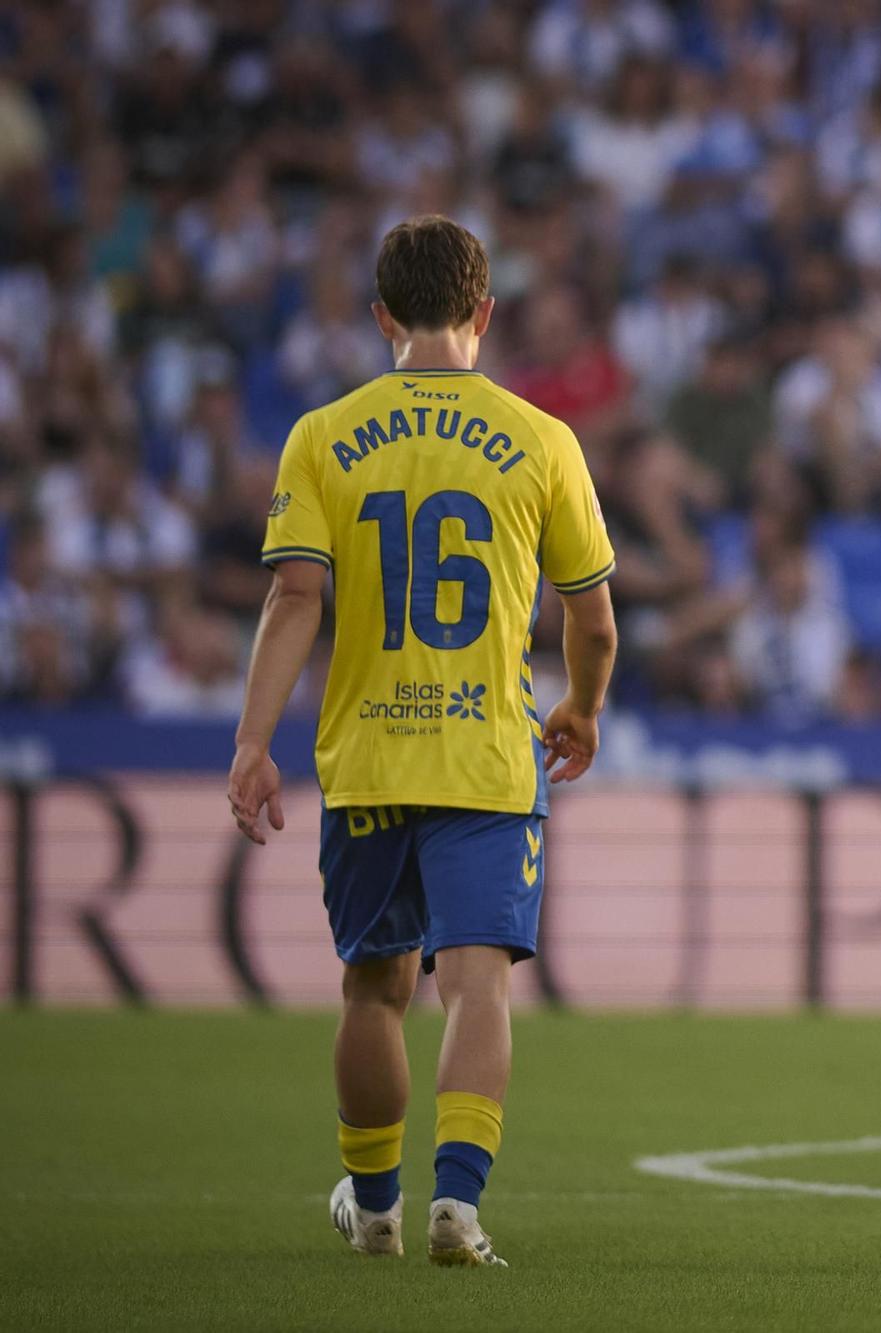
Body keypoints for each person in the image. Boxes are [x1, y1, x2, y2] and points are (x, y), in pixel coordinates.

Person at [225, 216, 618, 1268]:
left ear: (383, 316)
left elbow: (294, 596)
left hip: (367, 757)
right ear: (485, 313)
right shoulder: (542, 438)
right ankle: (458, 1205)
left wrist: (253, 741)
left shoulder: (322, 433)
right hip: (489, 757)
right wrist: (580, 705)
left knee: (372, 988)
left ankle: (375, 1207)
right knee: (477, 983)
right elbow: (592, 616)